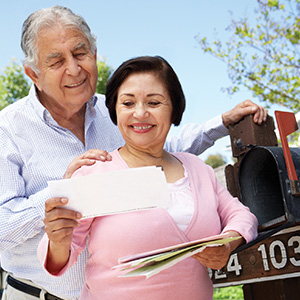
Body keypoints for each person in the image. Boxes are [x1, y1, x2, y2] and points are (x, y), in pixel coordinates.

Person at [0, 5, 266, 300]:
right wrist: (65, 196)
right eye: (57, 61)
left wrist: (221, 124)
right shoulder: (7, 130)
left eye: (80, 53)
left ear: (95, 53)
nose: (74, 69)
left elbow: (164, 154)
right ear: (32, 74)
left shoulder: (114, 109)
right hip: (38, 294)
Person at [38, 56, 258, 300]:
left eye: (153, 102)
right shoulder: (94, 173)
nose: (140, 113)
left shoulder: (197, 168)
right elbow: (62, 257)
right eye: (128, 103)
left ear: (174, 107)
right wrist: (58, 241)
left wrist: (227, 244)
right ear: (115, 110)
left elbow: (241, 215)